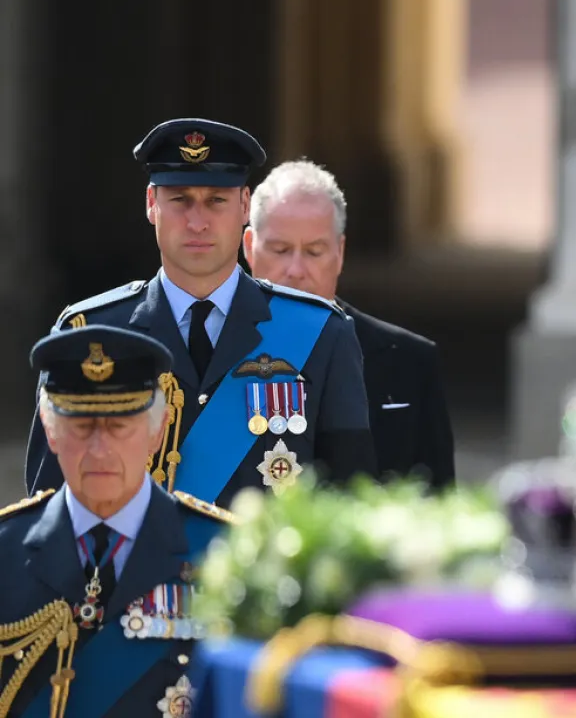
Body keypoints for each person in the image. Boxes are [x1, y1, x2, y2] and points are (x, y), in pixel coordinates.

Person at [24, 119, 377, 508]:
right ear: (151, 204)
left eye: (216, 200)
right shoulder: (90, 333)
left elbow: (348, 502)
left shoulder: (320, 333)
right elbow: (50, 512)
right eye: (180, 199)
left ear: (244, 205)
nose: (197, 222)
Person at [0, 325, 233, 716]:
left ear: (157, 431)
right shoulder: (6, 549)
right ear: (51, 431)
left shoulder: (224, 551)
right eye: (82, 427)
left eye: (119, 427)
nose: (100, 449)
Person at [242, 159, 455, 489]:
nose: (296, 270)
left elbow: (437, 512)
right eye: (280, 250)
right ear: (249, 249)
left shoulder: (409, 362)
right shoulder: (208, 347)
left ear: (339, 253)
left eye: (314, 252)